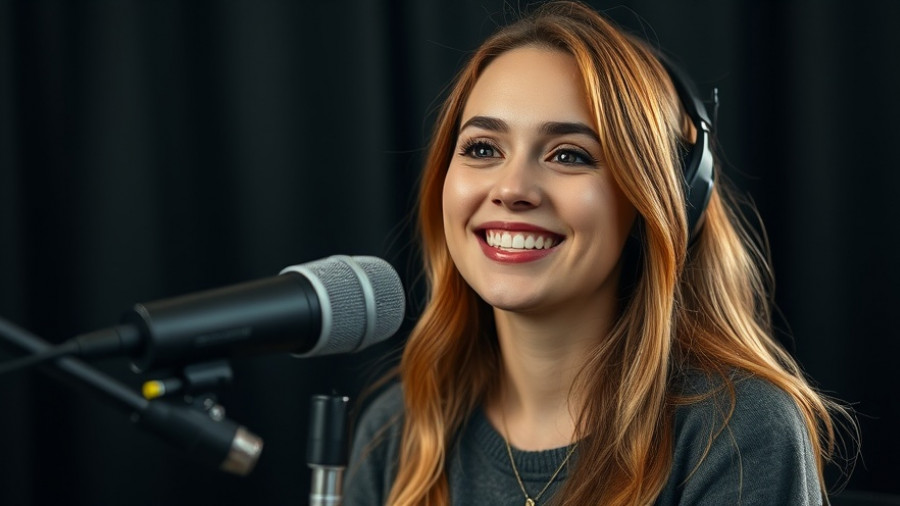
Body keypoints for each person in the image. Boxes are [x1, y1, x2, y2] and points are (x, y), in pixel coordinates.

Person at [343, 1, 853, 504]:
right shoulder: (396, 430)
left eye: (569, 155)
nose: (512, 188)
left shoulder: (737, 433)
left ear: (658, 198)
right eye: (482, 149)